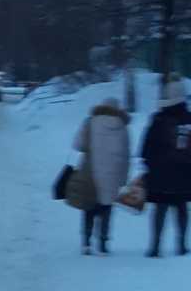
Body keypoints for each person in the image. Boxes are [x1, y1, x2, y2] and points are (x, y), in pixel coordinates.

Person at [139, 75, 191, 257]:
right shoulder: (189, 119)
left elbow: (146, 147)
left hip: (160, 171)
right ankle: (181, 245)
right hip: (184, 171)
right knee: (182, 207)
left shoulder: (158, 119)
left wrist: (148, 163)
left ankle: (155, 246)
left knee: (160, 208)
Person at [71, 97, 130, 254]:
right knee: (107, 208)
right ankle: (103, 242)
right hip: (113, 174)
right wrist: (123, 179)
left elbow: (78, 145)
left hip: (91, 171)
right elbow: (126, 155)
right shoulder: (123, 127)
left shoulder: (90, 122)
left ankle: (86, 243)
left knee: (89, 207)